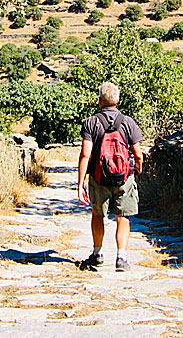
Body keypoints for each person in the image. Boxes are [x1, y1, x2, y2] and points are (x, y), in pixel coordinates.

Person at [77, 81, 144, 272]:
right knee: (123, 216)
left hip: (99, 178)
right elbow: (138, 153)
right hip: (124, 177)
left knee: (98, 214)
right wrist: (137, 169)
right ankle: (121, 258)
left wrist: (81, 182)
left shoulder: (91, 123)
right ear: (117, 100)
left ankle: (97, 254)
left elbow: (85, 154)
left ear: (100, 101)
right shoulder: (128, 122)